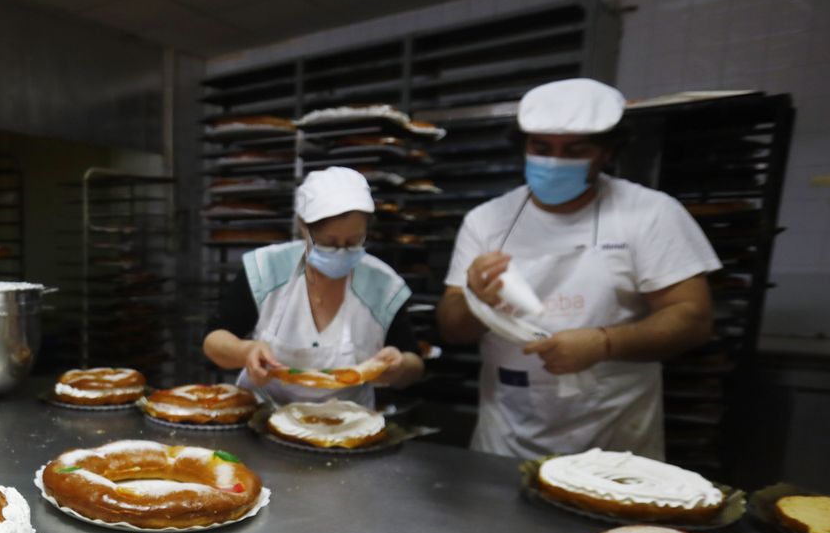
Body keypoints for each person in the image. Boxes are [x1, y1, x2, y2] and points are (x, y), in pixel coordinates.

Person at [435, 77, 719, 460]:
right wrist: (475, 301)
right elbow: (452, 328)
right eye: (541, 148)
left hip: (614, 436)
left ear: (606, 152)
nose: (554, 162)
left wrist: (605, 343)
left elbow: (693, 318)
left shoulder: (651, 213)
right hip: (506, 435)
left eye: (574, 150)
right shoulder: (487, 220)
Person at [203, 166, 425, 406]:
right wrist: (245, 351)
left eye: (353, 242)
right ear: (303, 228)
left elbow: (414, 363)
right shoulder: (266, 269)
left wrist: (400, 367)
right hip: (265, 414)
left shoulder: (382, 286)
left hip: (348, 421)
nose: (341, 252)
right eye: (329, 243)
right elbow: (214, 339)